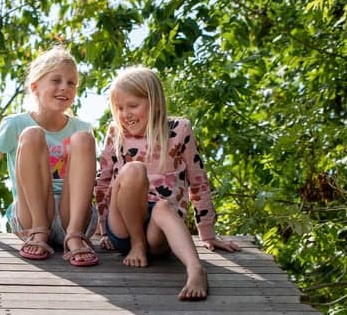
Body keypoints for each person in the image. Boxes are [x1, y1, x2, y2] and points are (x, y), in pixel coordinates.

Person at [94, 66, 239, 299]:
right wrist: (102, 228)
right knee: (133, 170)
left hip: (159, 232)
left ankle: (195, 269)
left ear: (156, 103)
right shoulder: (116, 132)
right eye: (120, 108)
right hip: (123, 225)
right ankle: (136, 244)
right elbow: (103, 181)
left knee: (162, 207)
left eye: (133, 106)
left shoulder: (179, 130)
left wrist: (208, 233)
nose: (126, 114)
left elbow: (198, 181)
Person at [0, 45, 99, 266]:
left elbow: (95, 181)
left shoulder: (81, 127)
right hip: (32, 213)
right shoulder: (15, 124)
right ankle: (40, 231)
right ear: (35, 86)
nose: (64, 88)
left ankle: (76, 236)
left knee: (84, 139)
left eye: (71, 83)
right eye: (56, 81)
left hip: (73, 215)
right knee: (31, 135)